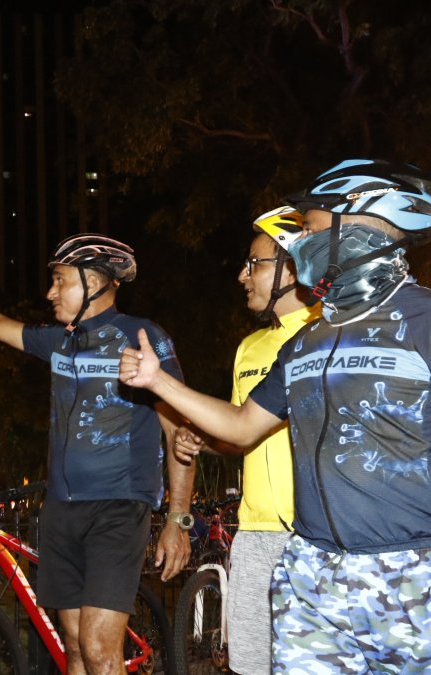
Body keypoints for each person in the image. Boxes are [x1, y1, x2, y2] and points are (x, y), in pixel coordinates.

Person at [121, 159, 431, 672]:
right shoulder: (306, 341)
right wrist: (159, 382)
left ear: (354, 225)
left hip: (413, 573)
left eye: (308, 228)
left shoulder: (422, 319)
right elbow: (243, 425)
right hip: (312, 575)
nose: (298, 243)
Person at [0, 234, 193, 675]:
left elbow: (178, 430)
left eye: (60, 281)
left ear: (95, 282)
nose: (50, 292)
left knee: (98, 647)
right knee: (72, 647)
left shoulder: (141, 337)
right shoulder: (59, 342)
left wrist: (177, 520)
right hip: (61, 510)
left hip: (118, 505)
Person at [173, 206, 319, 675]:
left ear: (292, 266)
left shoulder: (330, 332)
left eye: (254, 263)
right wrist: (202, 440)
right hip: (254, 535)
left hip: (314, 538)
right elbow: (243, 434)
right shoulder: (248, 349)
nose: (242, 275)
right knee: (251, 665)